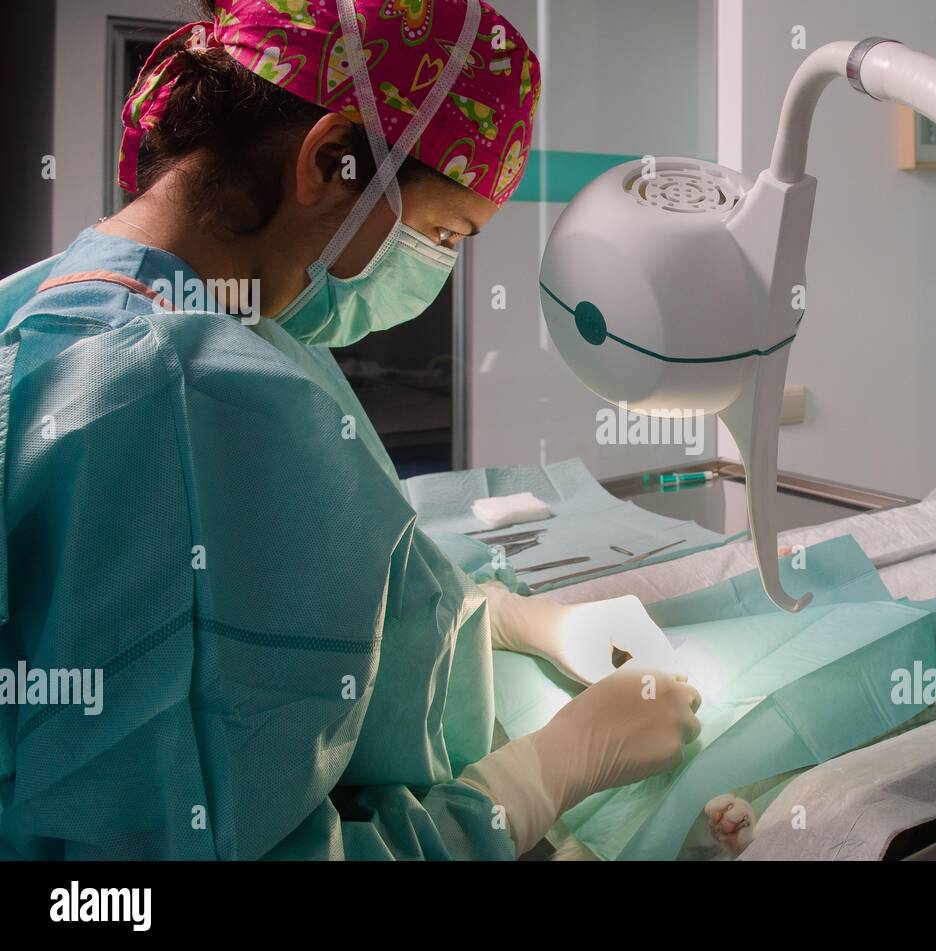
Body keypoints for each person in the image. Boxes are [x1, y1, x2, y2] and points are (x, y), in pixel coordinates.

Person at [0, 0, 699, 860]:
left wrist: (502, 616)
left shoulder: (85, 303)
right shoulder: (182, 396)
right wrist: (540, 778)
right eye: (443, 232)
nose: (435, 269)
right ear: (331, 159)